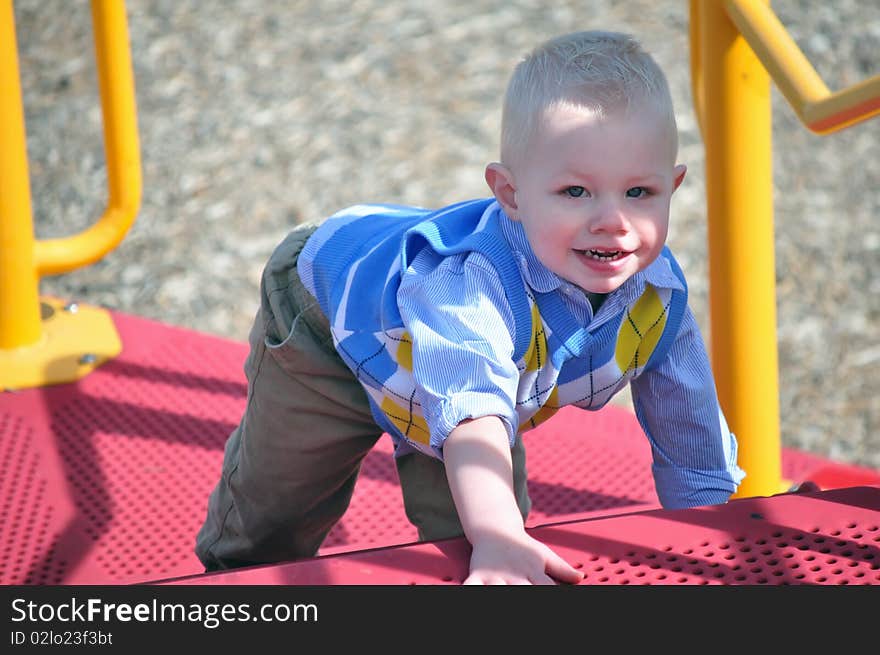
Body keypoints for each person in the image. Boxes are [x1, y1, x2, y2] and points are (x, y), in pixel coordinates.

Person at [195, 30, 745, 584]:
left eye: (639, 193)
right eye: (576, 192)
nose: (613, 220)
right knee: (280, 504)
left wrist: (715, 525)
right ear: (509, 193)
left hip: (447, 378)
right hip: (332, 330)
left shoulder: (655, 297)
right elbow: (475, 416)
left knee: (470, 539)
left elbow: (690, 430)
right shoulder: (468, 284)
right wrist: (500, 533)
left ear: (672, 187)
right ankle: (226, 590)